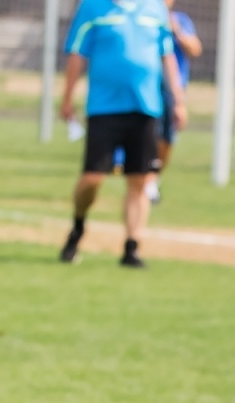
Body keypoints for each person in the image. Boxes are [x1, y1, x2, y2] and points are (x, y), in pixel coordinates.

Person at [59, 0, 187, 268]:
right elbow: (77, 54)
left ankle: (132, 247)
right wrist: (68, 97)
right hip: (104, 108)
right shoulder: (92, 8)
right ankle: (78, 225)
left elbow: (167, 56)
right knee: (93, 179)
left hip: (145, 107)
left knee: (140, 181)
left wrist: (178, 100)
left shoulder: (156, 9)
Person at [146, 0, 201, 205]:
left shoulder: (181, 21)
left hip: (174, 90)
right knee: (148, 133)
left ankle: (153, 178)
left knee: (167, 139)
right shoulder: (145, 17)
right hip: (149, 88)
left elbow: (195, 49)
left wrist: (176, 30)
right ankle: (145, 180)